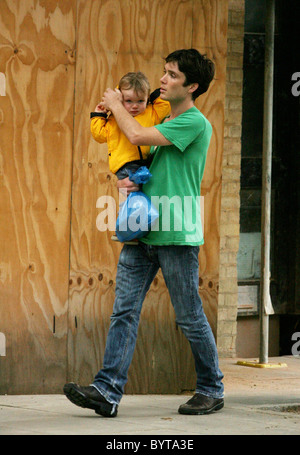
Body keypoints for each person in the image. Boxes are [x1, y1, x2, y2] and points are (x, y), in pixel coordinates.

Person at [63, 48, 224, 418]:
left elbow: (132, 132)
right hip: (142, 230)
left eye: (172, 75)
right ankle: (107, 390)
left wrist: (113, 101)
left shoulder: (194, 123)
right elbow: (132, 151)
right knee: (124, 311)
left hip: (175, 234)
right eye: (164, 73)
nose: (163, 80)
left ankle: (212, 387)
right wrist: (123, 178)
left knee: (188, 316)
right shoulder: (162, 121)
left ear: (193, 86)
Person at [90, 71, 170, 180]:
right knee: (132, 193)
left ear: (147, 99)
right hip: (125, 167)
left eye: (140, 101)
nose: (135, 106)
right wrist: (99, 115)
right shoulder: (115, 119)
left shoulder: (152, 112)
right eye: (129, 101)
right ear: (120, 99)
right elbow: (99, 135)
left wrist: (150, 96)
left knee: (149, 191)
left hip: (146, 163)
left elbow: (165, 102)